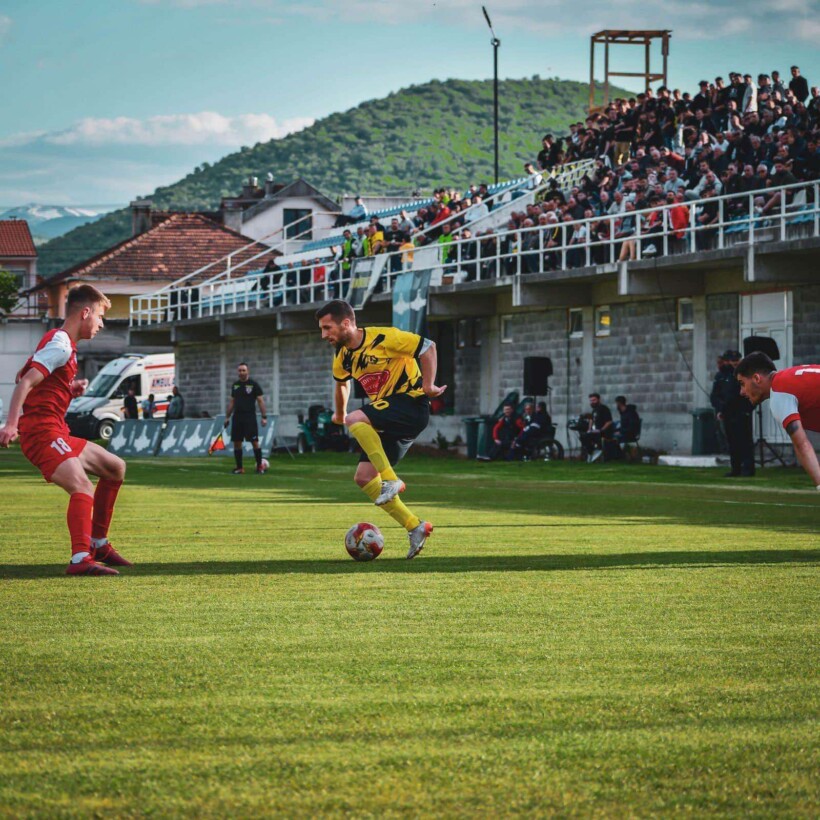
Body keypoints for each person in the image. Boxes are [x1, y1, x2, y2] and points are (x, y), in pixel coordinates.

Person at [0, 284, 131, 576]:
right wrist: (11, 424)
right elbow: (24, 382)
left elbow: (29, 376)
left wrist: (70, 389)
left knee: (115, 467)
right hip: (41, 434)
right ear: (85, 313)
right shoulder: (60, 344)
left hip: (56, 431)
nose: (100, 324)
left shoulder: (62, 345)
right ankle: (80, 559)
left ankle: (99, 544)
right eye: (99, 317)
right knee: (82, 486)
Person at [316, 299, 445, 559]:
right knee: (363, 477)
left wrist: (429, 385)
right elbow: (342, 383)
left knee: (358, 419)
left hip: (411, 404)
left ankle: (391, 479)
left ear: (346, 323)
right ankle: (415, 526)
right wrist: (340, 414)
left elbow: (428, 347)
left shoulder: (384, 337)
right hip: (391, 418)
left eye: (327, 328)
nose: (324, 335)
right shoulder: (343, 356)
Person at [735, 352, 820, 489]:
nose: (742, 391)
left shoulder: (779, 393)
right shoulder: (791, 377)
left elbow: (802, 444)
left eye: (742, 383)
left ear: (756, 378)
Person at [711, 350, 755, 476]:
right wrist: (719, 409)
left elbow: (752, 393)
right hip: (727, 413)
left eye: (737, 360)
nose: (735, 363)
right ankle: (735, 468)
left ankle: (748, 468)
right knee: (732, 442)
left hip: (742, 412)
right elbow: (715, 395)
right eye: (732, 360)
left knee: (745, 441)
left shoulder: (745, 374)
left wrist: (748, 409)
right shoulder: (722, 375)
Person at [223, 362, 268, 474]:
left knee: (254, 441)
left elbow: (260, 401)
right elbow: (232, 402)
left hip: (249, 417)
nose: (241, 372)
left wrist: (264, 417)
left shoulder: (253, 385)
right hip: (237, 417)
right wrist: (227, 417)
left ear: (248, 371)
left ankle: (259, 466)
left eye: (243, 370)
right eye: (240, 370)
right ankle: (239, 467)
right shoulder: (235, 385)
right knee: (237, 442)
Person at [579, 393, 614, 462]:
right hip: (595, 431)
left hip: (603, 432)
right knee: (583, 436)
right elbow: (591, 420)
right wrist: (589, 429)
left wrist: (601, 430)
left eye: (594, 400)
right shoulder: (594, 410)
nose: (592, 402)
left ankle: (594, 451)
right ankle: (590, 452)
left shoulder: (604, 409)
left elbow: (609, 421)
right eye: (591, 401)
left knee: (586, 437)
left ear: (598, 400)